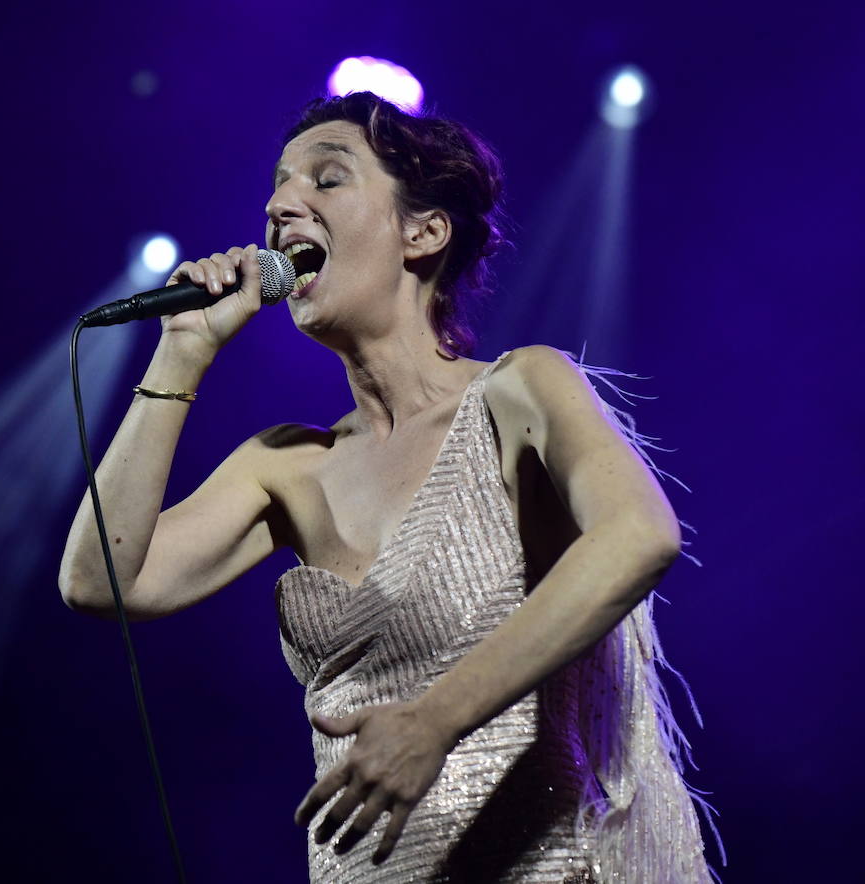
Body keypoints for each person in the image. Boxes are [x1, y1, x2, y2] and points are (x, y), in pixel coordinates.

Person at [58, 91, 717, 882]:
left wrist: (433, 720)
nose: (278, 205)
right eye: (277, 185)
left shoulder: (520, 393)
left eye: (327, 179)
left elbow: (640, 534)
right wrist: (183, 353)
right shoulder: (286, 464)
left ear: (424, 232)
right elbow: (99, 580)